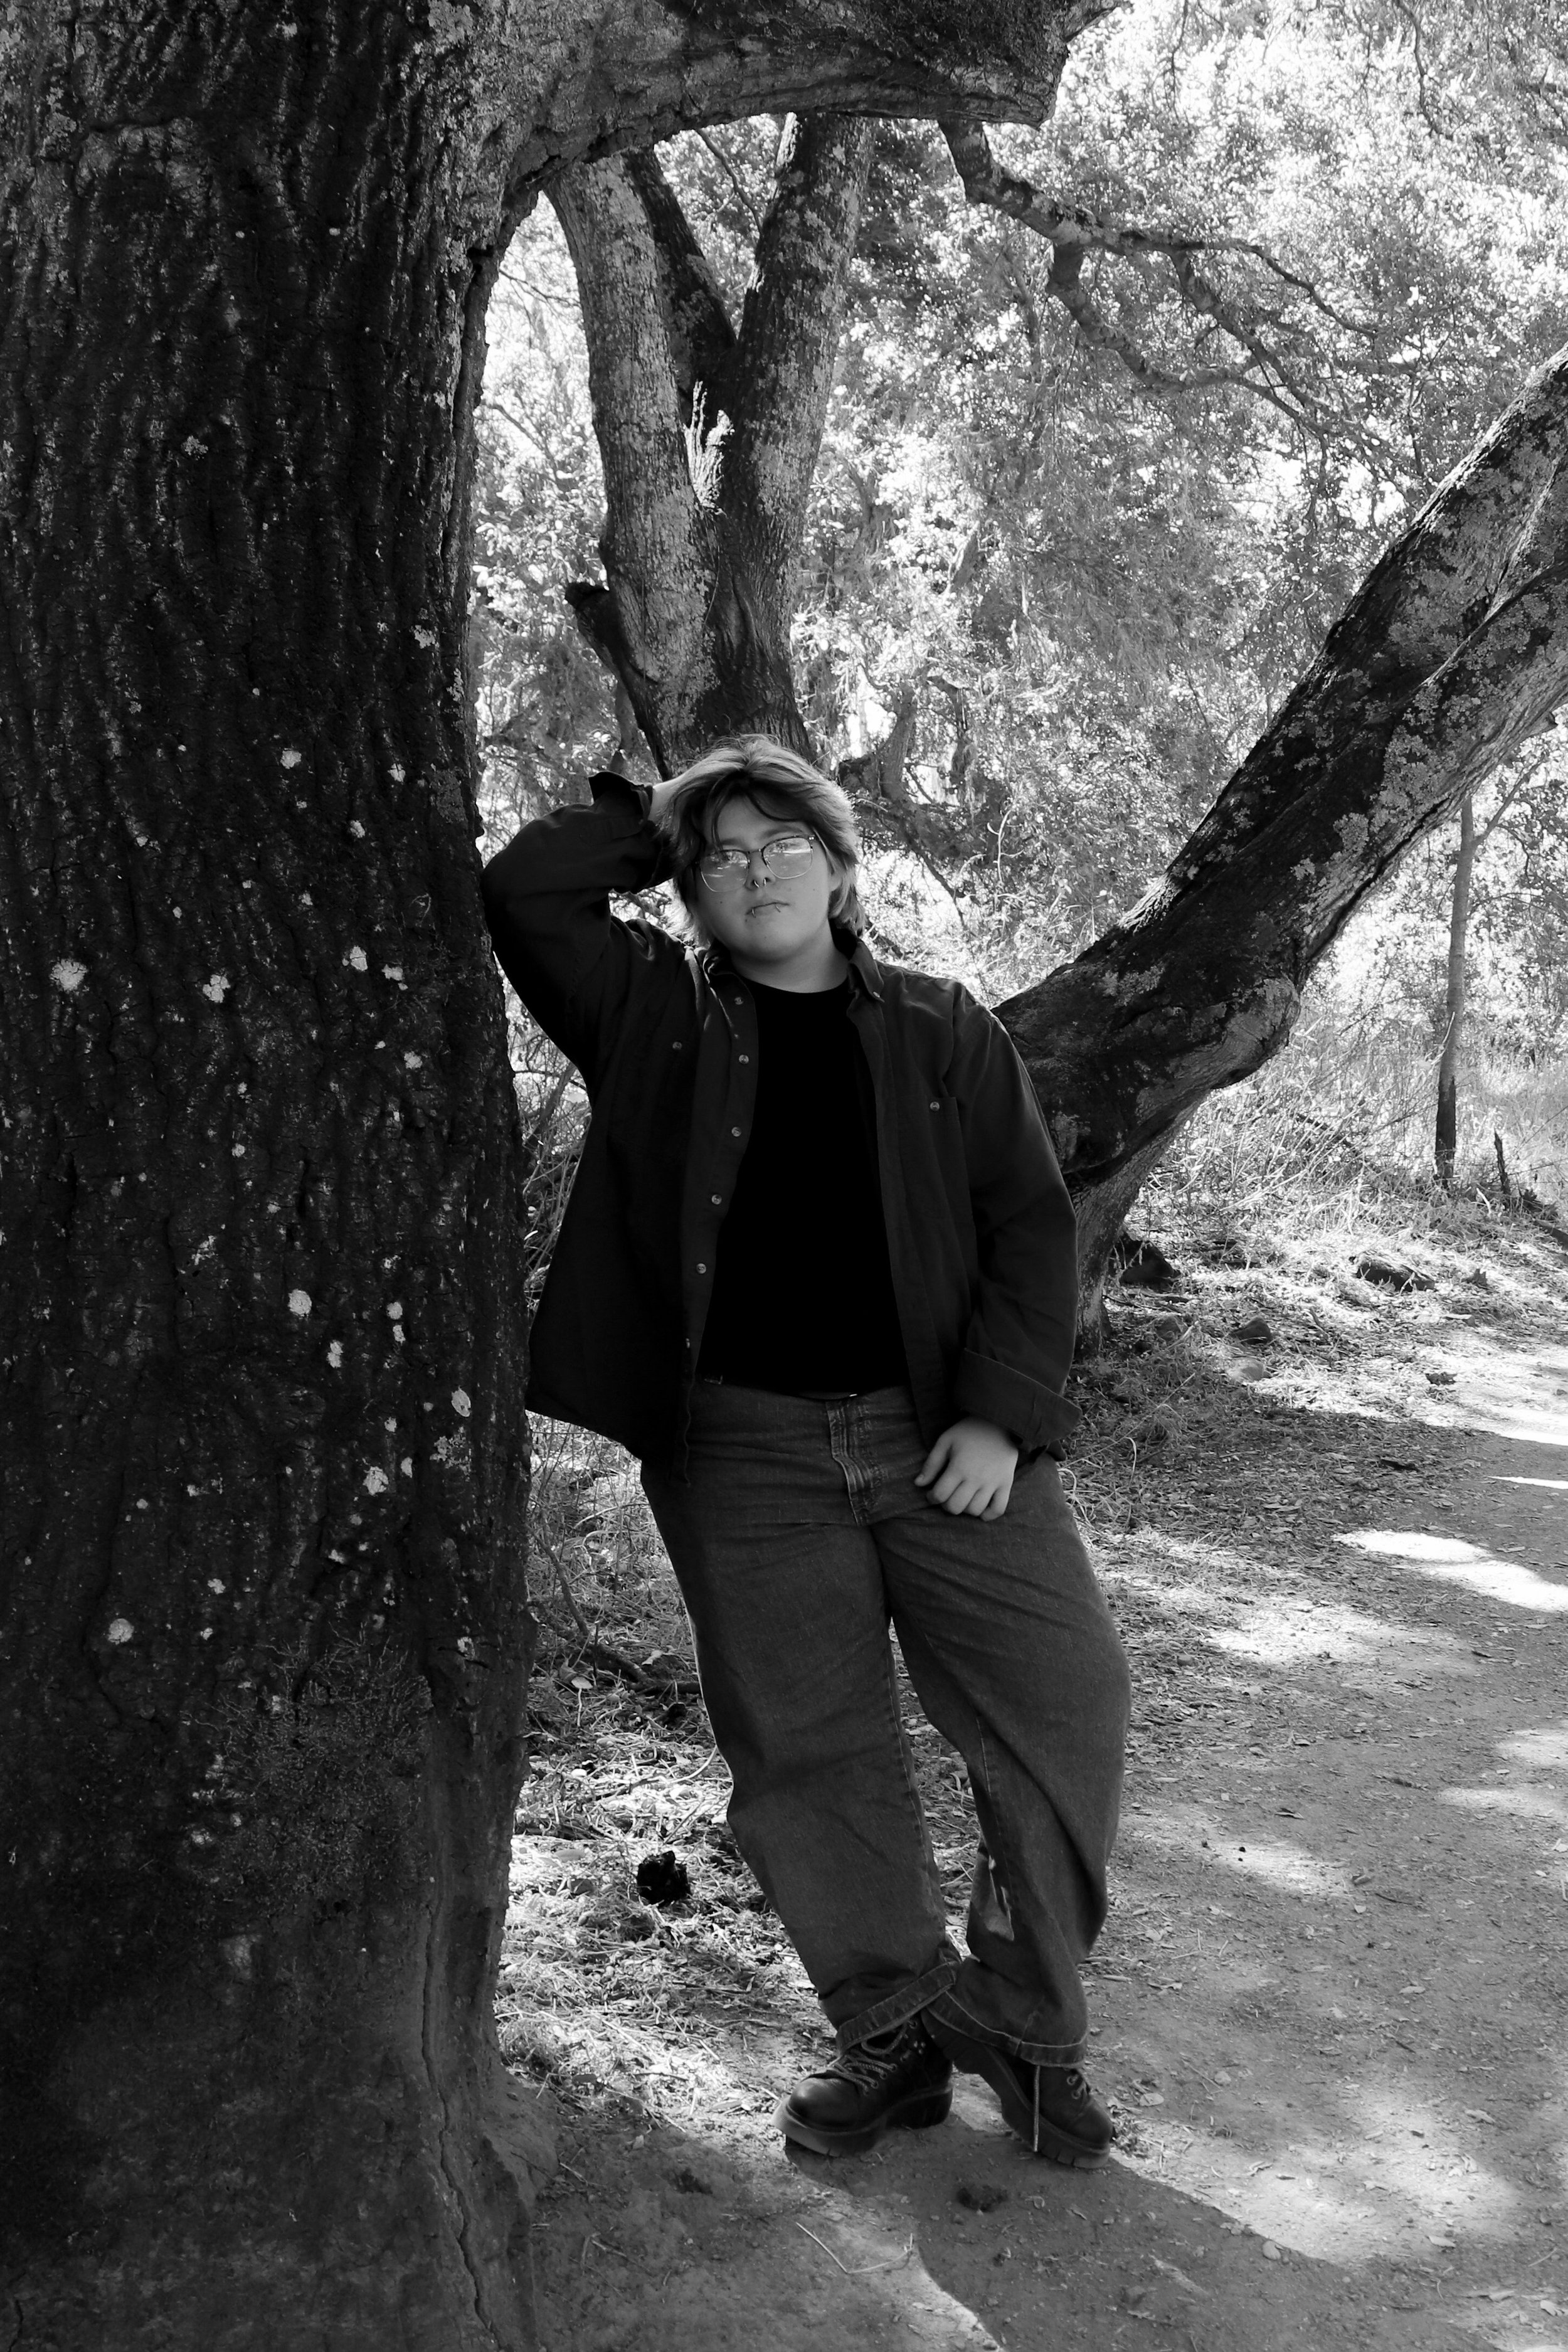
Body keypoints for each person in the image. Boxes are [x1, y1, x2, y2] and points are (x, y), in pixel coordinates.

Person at [482, 736, 1130, 2165]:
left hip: (941, 1438)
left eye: (784, 844)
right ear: (689, 895)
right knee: (806, 1752)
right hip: (740, 1454)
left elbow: (1029, 1224)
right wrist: (667, 822)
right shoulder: (650, 1013)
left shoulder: (941, 1029)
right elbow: (527, 888)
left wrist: (994, 1413)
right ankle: (890, 2034)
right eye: (723, 859)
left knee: (1062, 1709)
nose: (752, 872)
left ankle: (1022, 2026)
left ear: (841, 871)